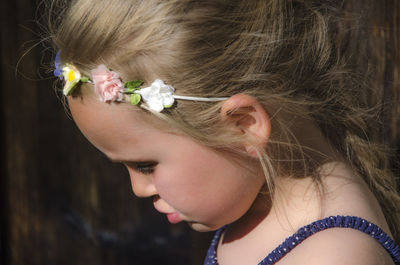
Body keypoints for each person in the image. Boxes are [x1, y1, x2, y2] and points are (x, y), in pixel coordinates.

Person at [48, 0, 400, 264]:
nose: (139, 189)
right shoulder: (256, 198)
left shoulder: (334, 257)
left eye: (145, 166)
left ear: (243, 126)